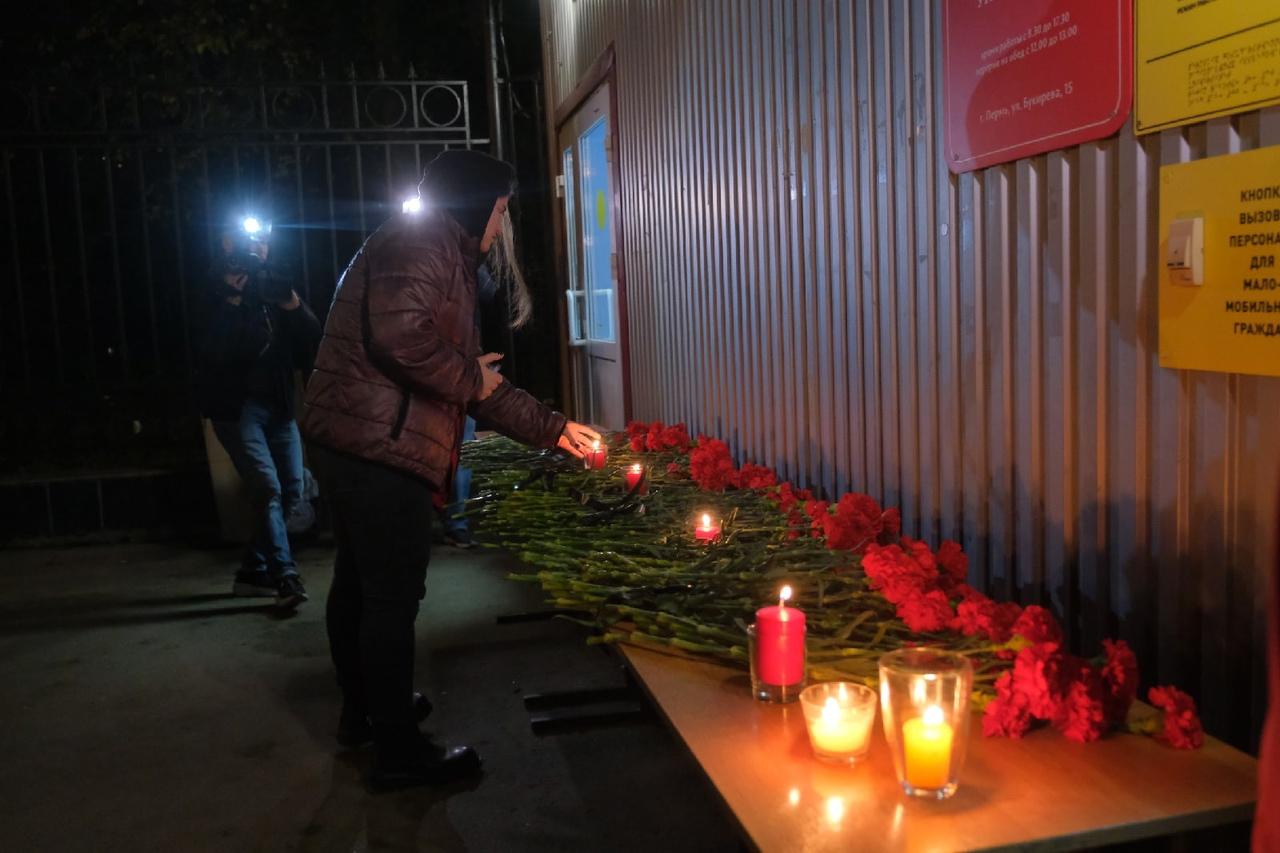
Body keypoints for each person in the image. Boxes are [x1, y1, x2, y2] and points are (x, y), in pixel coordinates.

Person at [301, 149, 600, 791]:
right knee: (387, 599)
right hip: (380, 447)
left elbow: (442, 361)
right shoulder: (427, 238)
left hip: (357, 438)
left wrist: (522, 409)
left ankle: (369, 715)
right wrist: (484, 384)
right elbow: (406, 339)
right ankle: (400, 755)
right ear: (475, 202)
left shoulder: (423, 240)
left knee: (359, 586)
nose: (500, 225)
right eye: (499, 209)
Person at [198, 220, 321, 609]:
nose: (257, 249)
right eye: (249, 242)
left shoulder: (271, 287)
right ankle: (285, 576)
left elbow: (312, 336)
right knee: (267, 488)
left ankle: (253, 570)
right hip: (238, 410)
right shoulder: (213, 289)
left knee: (292, 491)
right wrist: (231, 300)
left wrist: (289, 301)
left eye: (262, 241)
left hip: (279, 406)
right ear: (227, 244)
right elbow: (217, 351)